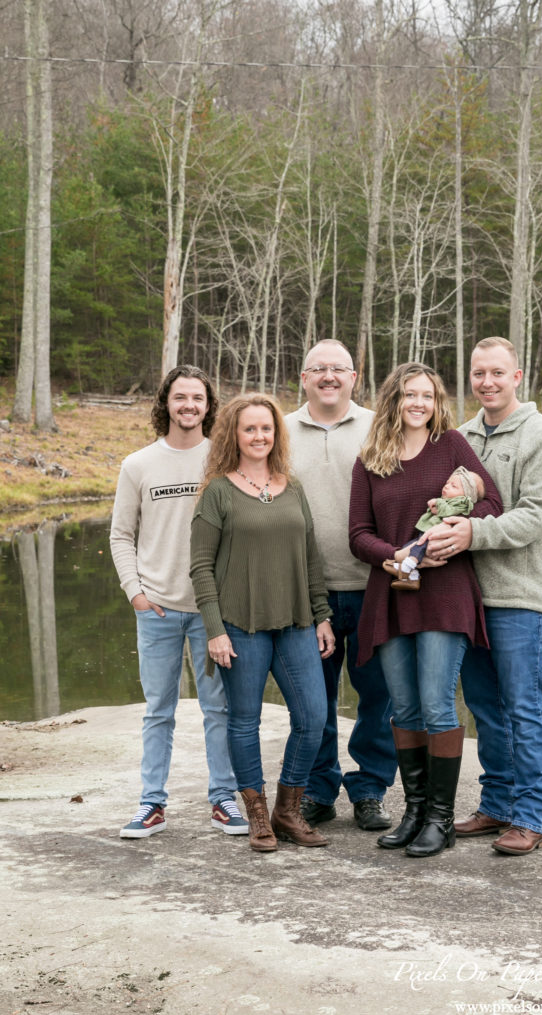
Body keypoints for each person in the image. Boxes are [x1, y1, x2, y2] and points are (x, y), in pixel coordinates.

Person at [349, 363, 503, 858]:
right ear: (392, 399)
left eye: (428, 395)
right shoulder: (370, 459)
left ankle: (441, 818)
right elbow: (357, 535)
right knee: (405, 706)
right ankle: (414, 811)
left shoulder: (453, 446)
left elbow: (491, 502)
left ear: (437, 403)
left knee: (437, 703)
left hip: (446, 594)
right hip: (393, 592)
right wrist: (392, 554)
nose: (419, 403)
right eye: (409, 395)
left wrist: (457, 535)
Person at [426, 336, 542, 855]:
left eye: (496, 373)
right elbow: (443, 508)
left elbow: (535, 516)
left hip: (519, 598)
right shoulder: (459, 436)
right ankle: (497, 804)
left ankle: (530, 816)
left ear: (517, 376)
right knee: (485, 707)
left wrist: (472, 534)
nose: (486, 382)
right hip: (466, 597)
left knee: (524, 706)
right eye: (478, 373)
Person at [190, 394, 335, 854]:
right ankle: (256, 814)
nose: (259, 436)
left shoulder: (291, 487)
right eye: (250, 429)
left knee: (313, 717)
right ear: (234, 434)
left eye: (267, 429)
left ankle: (288, 810)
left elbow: (311, 557)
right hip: (239, 627)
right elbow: (200, 566)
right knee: (244, 722)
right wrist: (214, 629)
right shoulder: (217, 491)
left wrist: (322, 617)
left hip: (295, 623)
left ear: (277, 434)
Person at [110, 365, 248, 840]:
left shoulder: (222, 462)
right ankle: (151, 805)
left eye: (198, 399)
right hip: (159, 609)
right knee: (158, 710)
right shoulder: (139, 465)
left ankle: (223, 800)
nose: (189, 406)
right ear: (165, 402)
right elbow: (121, 535)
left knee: (219, 710)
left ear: (209, 406)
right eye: (180, 397)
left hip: (212, 612)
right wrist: (137, 594)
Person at [285, 340, 397, 833]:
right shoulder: (281, 431)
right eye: (319, 369)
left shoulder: (380, 426)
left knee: (378, 697)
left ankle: (370, 789)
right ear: (303, 377)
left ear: (355, 377)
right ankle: (318, 789)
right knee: (314, 699)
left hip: (376, 584)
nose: (329, 376)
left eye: (339, 369)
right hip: (309, 591)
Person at [382, 466, 485, 590]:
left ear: (467, 495)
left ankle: (406, 568)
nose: (446, 486)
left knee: (418, 547)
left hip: (437, 537)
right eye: (447, 483)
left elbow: (449, 511)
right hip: (428, 533)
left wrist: (437, 503)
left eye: (454, 486)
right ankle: (412, 578)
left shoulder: (463, 503)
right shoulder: (448, 501)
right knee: (408, 547)